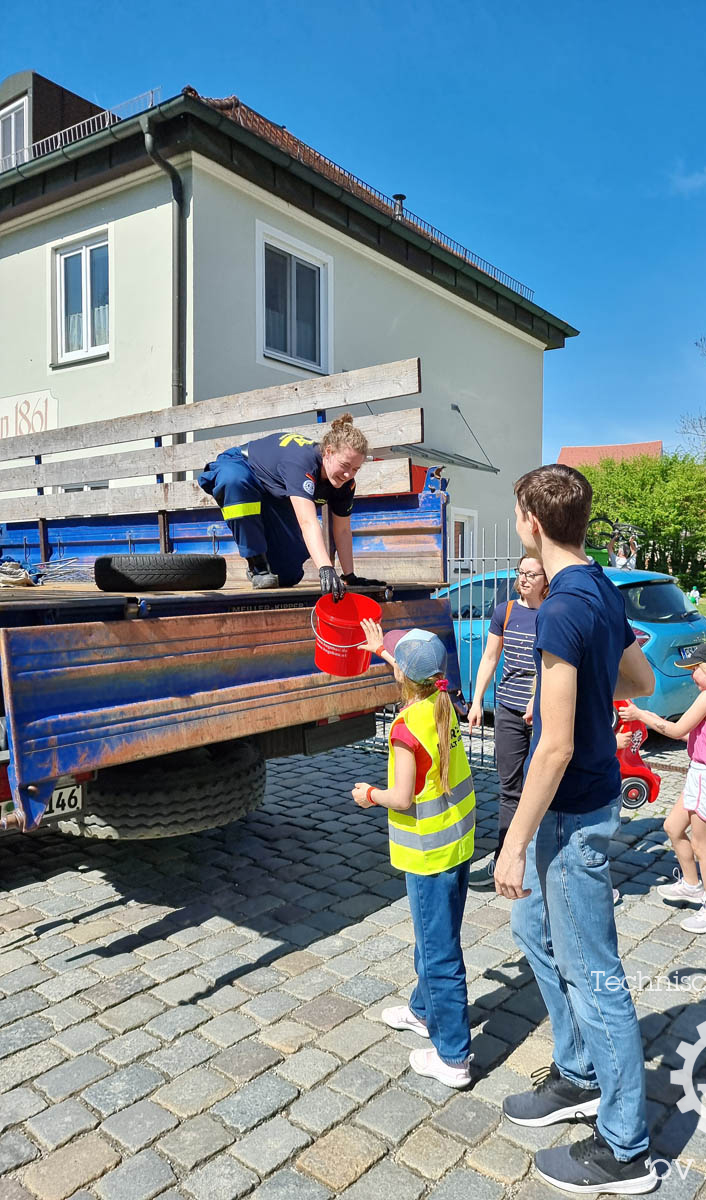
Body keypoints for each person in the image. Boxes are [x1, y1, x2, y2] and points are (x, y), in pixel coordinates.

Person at [494, 464, 657, 1195]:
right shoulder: (598, 589)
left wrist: (512, 838)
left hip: (571, 814)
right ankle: (577, 1073)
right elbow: (639, 682)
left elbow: (554, 747)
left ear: (531, 519)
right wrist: (584, 689)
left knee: (595, 976)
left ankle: (624, 1147)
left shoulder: (563, 606)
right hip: (575, 807)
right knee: (532, 929)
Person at [352, 623, 476, 1088]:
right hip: (457, 844)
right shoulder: (440, 705)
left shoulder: (406, 726)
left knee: (439, 952)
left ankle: (454, 1056)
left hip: (428, 855)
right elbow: (415, 679)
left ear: (404, 677)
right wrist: (382, 649)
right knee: (436, 938)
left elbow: (402, 797)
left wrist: (369, 794)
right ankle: (424, 1011)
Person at [620, 641, 706, 934]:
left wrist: (642, 716)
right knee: (673, 827)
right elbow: (687, 735)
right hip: (701, 774)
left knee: (704, 847)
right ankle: (692, 884)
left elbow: (677, 730)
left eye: (694, 670)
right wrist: (649, 718)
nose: (691, 675)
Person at [198, 414, 382, 598]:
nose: (348, 474)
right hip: (244, 468)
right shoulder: (303, 463)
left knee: (286, 576)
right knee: (235, 481)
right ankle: (258, 565)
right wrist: (325, 568)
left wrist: (349, 576)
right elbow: (307, 522)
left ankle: (269, 567)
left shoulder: (346, 484)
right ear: (328, 452)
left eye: (356, 469)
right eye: (345, 465)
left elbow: (342, 530)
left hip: (276, 495)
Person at [467, 556, 547, 889]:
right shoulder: (506, 611)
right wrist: (476, 700)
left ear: (546, 578)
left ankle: (541, 863)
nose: (524, 579)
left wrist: (537, 698)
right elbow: (490, 657)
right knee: (509, 788)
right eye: (521, 573)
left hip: (543, 711)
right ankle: (504, 859)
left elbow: (553, 664)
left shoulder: (552, 612)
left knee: (545, 788)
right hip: (508, 711)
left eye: (532, 574)